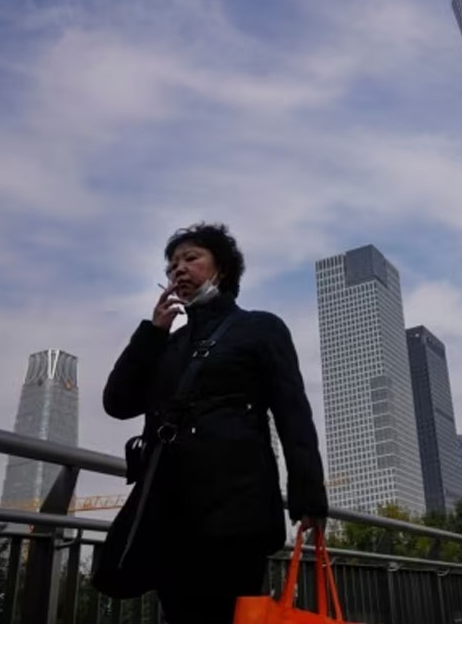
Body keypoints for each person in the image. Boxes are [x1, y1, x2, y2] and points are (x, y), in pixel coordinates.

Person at [93, 222, 327, 623]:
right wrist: (151, 334)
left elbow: (292, 411)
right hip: (171, 512)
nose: (178, 270)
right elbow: (117, 403)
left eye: (190, 258)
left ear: (221, 268)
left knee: (231, 616)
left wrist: (308, 495)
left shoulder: (260, 327)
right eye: (171, 266)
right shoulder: (169, 344)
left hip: (236, 508)